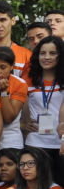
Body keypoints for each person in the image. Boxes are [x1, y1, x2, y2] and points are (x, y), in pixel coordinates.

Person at [24, 36, 64, 180]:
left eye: (52, 53)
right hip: (35, 143)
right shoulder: (28, 80)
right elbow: (23, 104)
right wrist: (25, 122)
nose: (46, 57)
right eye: (42, 53)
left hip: (60, 143)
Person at [0, 47, 28, 155]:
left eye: (3, 67)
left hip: (11, 143)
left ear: (12, 66)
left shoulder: (20, 84)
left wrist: (3, 92)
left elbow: (8, 118)